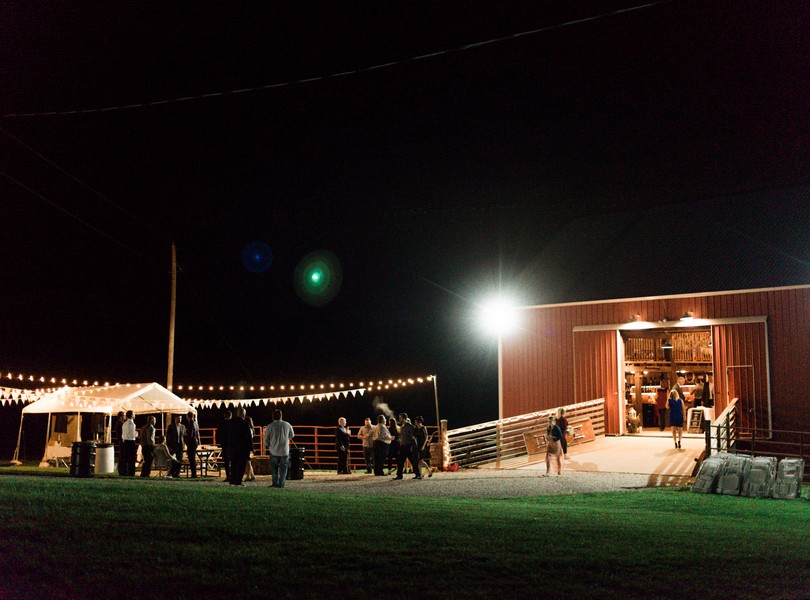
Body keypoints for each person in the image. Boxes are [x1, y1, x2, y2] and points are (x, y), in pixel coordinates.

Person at [263, 409, 295, 488]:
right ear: (281, 416)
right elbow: (292, 435)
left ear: (273, 416)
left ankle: (275, 483)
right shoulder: (287, 425)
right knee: (283, 469)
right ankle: (281, 484)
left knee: (274, 469)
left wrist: (267, 445)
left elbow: (266, 439)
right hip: (284, 450)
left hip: (273, 450)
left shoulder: (269, 426)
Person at [229, 408, 254, 486]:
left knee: (233, 464)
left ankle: (232, 480)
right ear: (243, 414)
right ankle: (239, 480)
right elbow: (248, 437)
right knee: (241, 465)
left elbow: (229, 436)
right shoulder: (245, 423)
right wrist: (251, 448)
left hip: (233, 447)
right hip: (243, 448)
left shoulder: (231, 423)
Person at [395, 413, 421, 480]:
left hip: (408, 446)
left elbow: (413, 437)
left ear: (404, 418)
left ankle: (418, 474)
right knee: (400, 462)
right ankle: (399, 476)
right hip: (403, 446)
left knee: (413, 461)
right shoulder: (402, 426)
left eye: (400, 418)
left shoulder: (410, 426)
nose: (399, 419)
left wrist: (412, 446)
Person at [165, 413, 186, 479]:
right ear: (175, 418)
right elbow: (168, 437)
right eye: (178, 418)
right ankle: (172, 473)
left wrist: (184, 444)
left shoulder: (183, 426)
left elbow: (184, 436)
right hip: (173, 445)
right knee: (174, 460)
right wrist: (169, 446)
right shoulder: (171, 426)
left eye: (181, 418)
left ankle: (177, 473)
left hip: (180, 445)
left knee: (179, 459)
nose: (180, 420)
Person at [216, 410, 233, 482]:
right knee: (232, 460)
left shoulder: (221, 424)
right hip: (232, 444)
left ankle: (228, 476)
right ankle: (233, 475)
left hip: (224, 444)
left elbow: (217, 434)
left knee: (226, 461)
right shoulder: (233, 424)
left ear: (224, 416)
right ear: (230, 416)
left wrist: (219, 442)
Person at [120, 410, 138, 476]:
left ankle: (124, 471)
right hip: (130, 442)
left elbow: (123, 434)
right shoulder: (132, 424)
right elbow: (132, 435)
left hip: (125, 441)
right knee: (131, 458)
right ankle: (131, 472)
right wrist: (137, 433)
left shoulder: (124, 424)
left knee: (125, 458)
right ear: (132, 415)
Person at [184, 411, 201, 478]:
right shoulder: (196, 423)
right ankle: (194, 473)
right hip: (195, 442)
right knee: (192, 458)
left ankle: (193, 473)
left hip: (191, 442)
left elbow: (190, 434)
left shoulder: (191, 423)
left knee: (191, 459)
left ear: (188, 416)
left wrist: (186, 437)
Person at [244, 415, 256, 482]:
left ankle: (248, 476)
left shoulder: (249, 430)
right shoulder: (252, 429)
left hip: (247, 447)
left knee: (248, 462)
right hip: (250, 446)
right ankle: (252, 475)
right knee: (248, 461)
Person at [114, 411, 126, 475]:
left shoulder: (120, 423)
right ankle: (121, 470)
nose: (125, 417)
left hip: (121, 441)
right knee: (122, 456)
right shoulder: (120, 424)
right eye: (124, 416)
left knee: (122, 455)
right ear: (121, 417)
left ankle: (121, 470)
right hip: (121, 441)